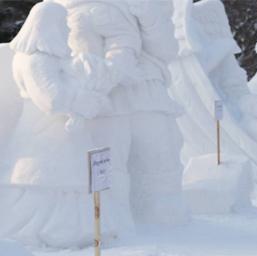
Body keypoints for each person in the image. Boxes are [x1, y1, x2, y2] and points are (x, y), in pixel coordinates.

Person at [0, 1, 133, 247]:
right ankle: (42, 231)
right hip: (44, 132)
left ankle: (80, 229)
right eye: (62, 25)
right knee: (46, 182)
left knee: (75, 180)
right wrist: (87, 101)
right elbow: (51, 98)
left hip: (63, 130)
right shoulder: (34, 59)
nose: (66, 31)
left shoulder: (46, 58)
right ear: (47, 25)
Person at [56, 0, 189, 225]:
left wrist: (149, 15)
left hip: (146, 91)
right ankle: (111, 223)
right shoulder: (66, 7)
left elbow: (166, 50)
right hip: (99, 98)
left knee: (159, 159)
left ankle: (164, 221)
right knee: (106, 168)